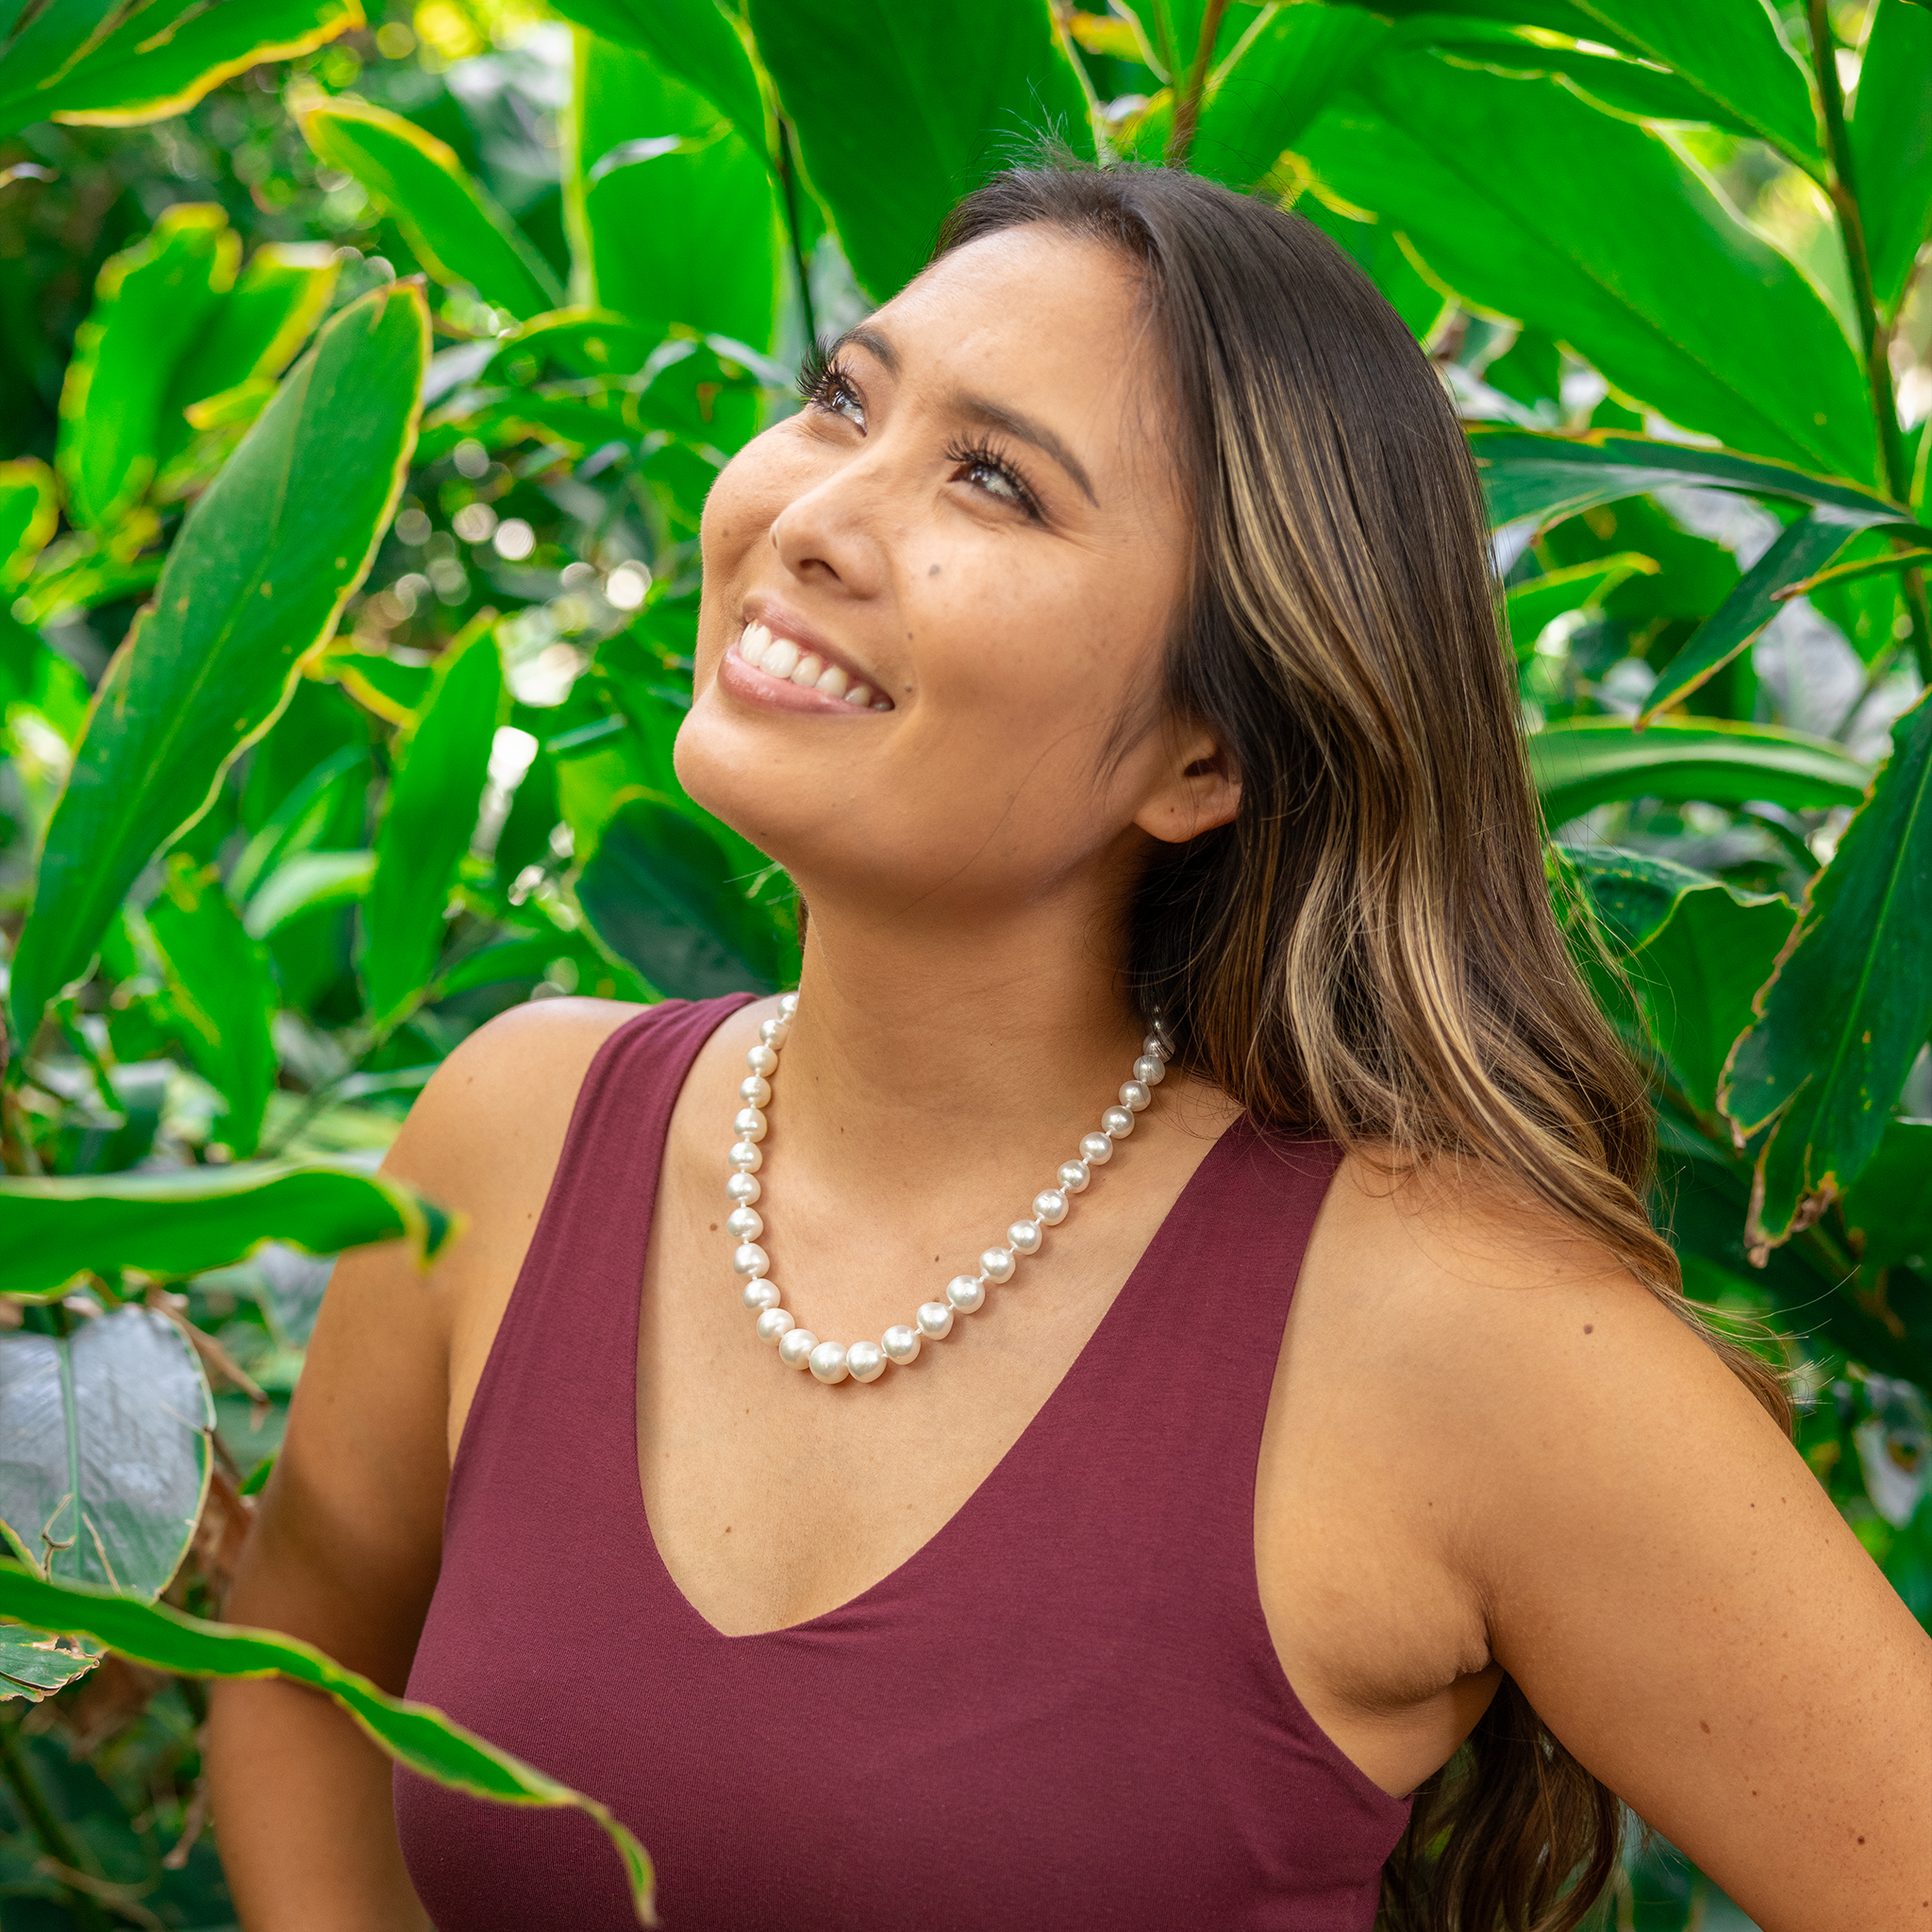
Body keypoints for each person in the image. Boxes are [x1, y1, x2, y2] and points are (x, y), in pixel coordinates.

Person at [205, 164, 1931, 1932]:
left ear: (1204, 754)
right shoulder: (518, 1127)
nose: (814, 515)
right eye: (842, 402)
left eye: (994, 482)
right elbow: (298, 1671)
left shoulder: (1457, 1334)